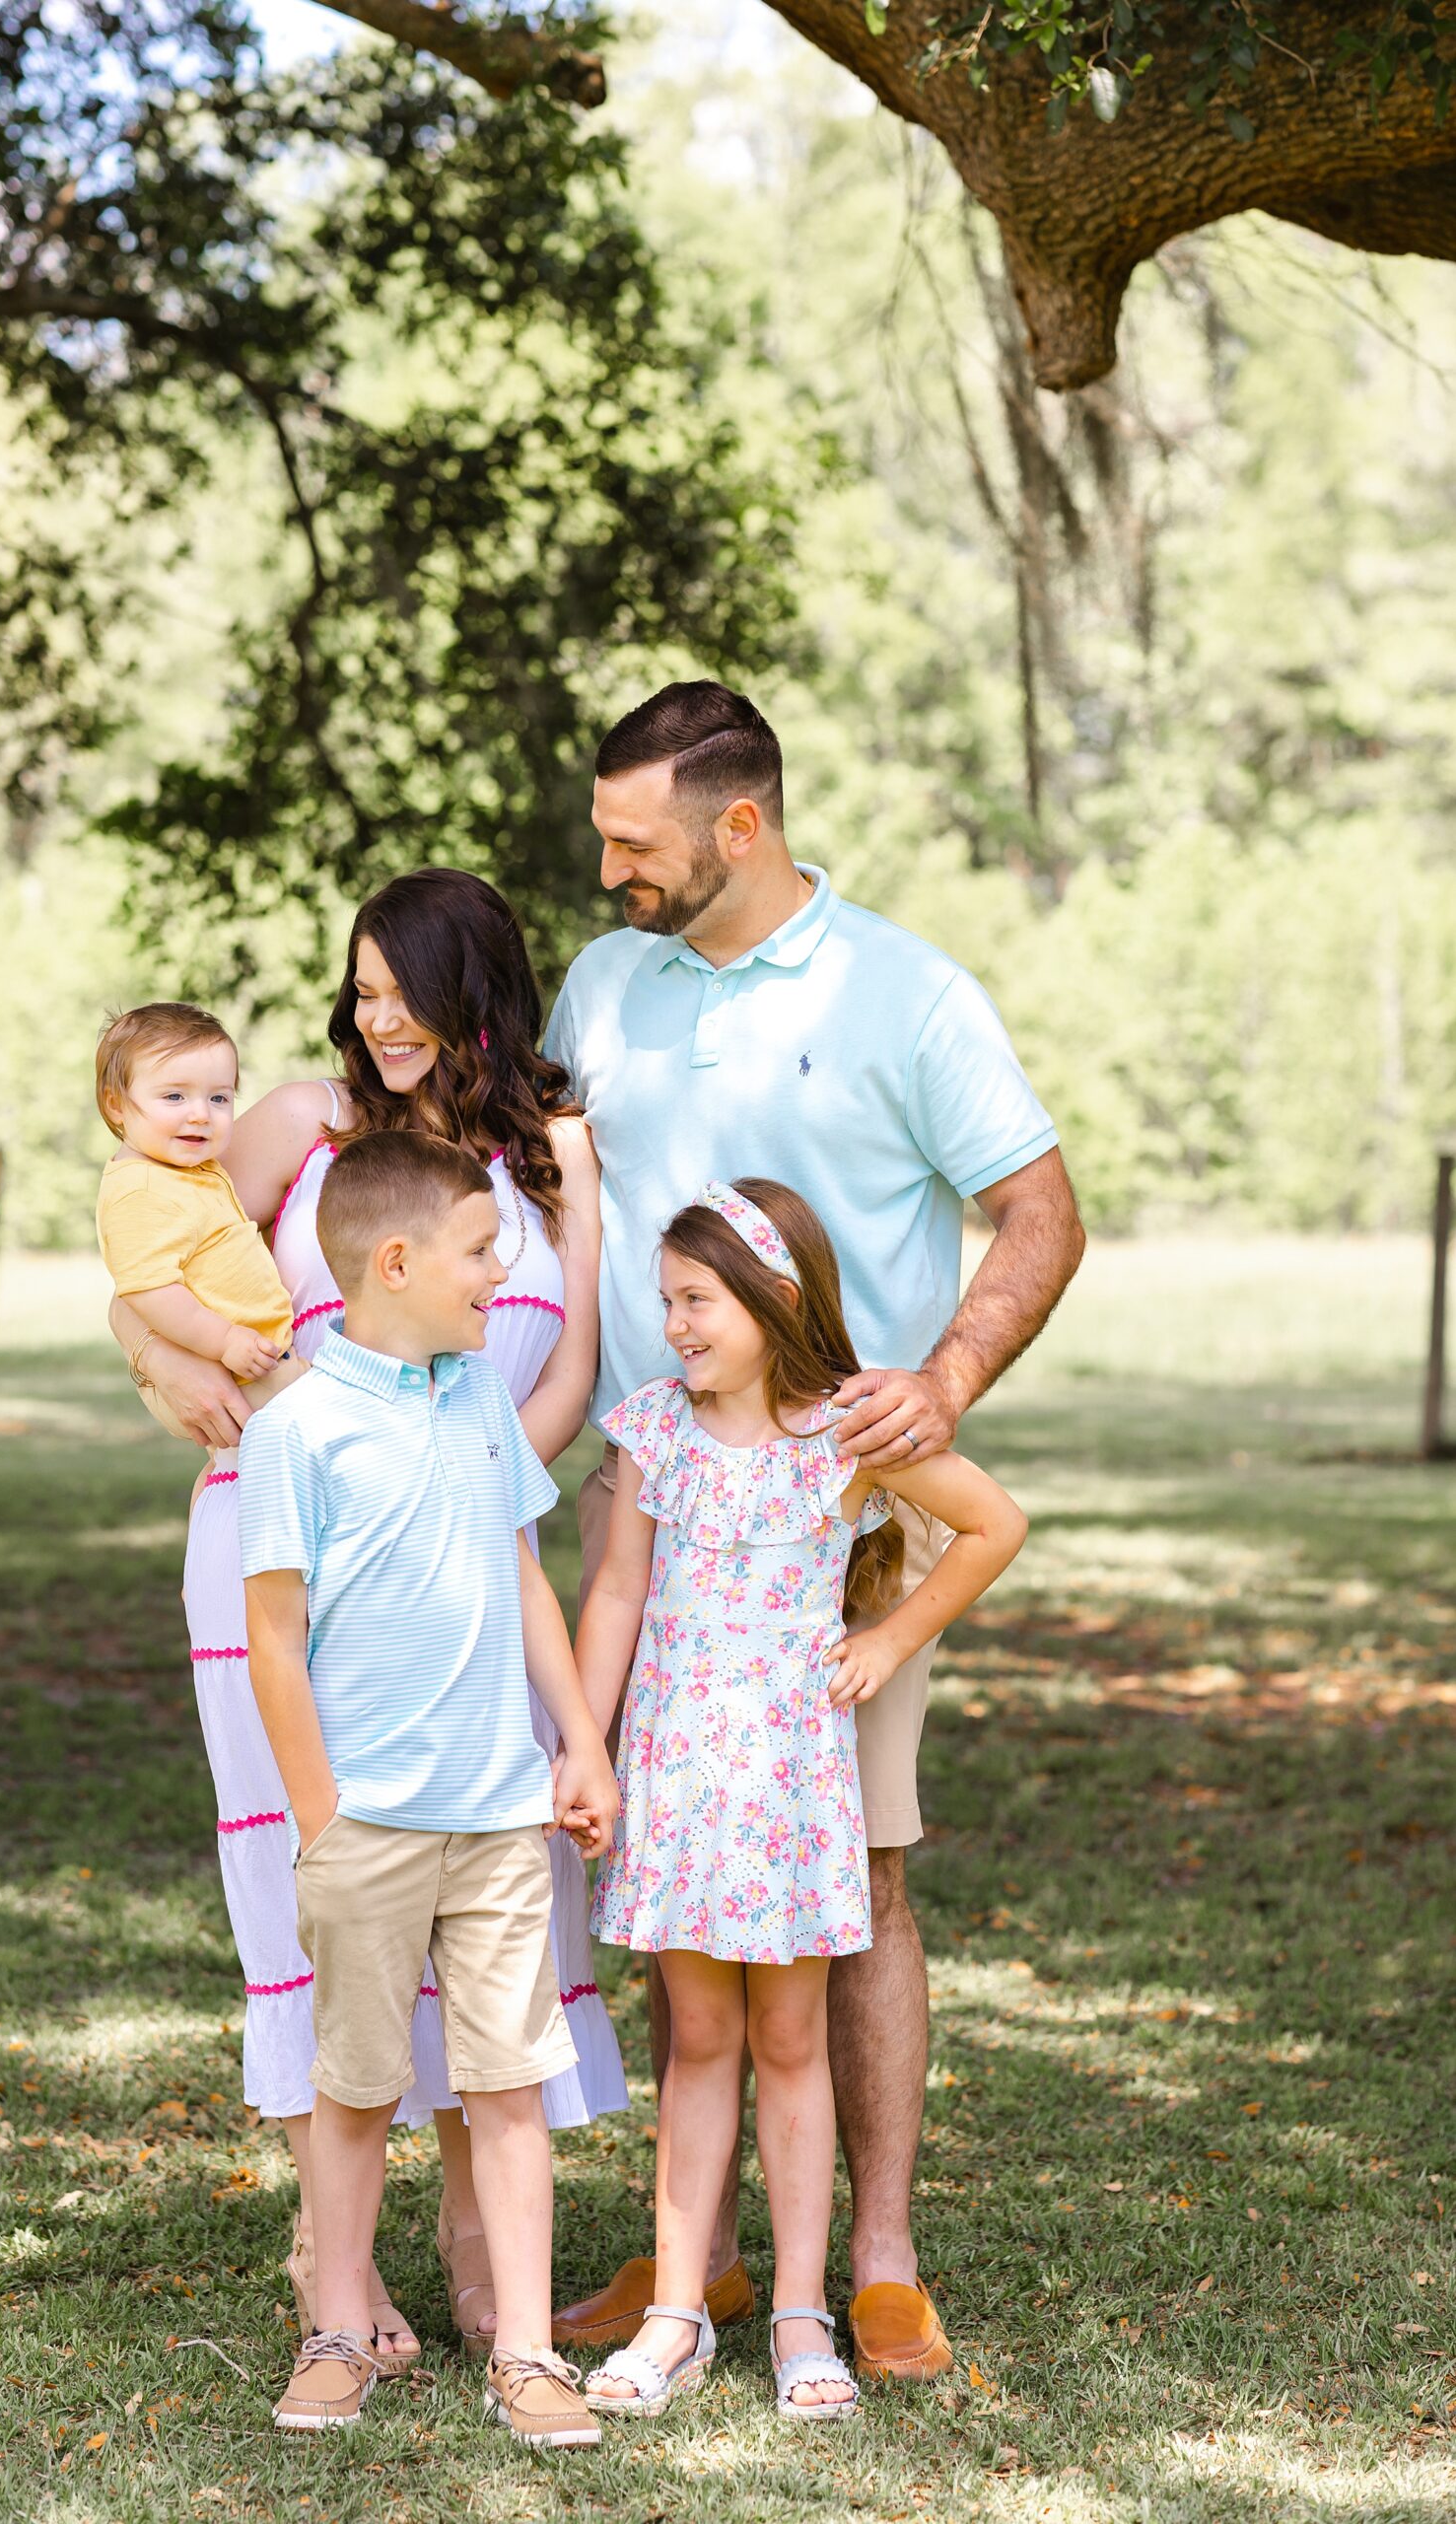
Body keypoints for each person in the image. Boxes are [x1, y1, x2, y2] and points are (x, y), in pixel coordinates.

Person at [546, 681, 1084, 2383]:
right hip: (654, 1509)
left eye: (635, 845)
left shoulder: (904, 993)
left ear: (740, 827)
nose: (610, 872)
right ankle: (687, 2262)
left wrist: (947, 1378)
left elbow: (1041, 1212)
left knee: (858, 1872)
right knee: (678, 1885)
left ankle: (873, 2264)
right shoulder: (603, 981)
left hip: (840, 1522)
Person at [107, 871, 624, 2369]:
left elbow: (570, 1368)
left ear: (476, 990)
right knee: (308, 1868)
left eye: (399, 990)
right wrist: (166, 1378)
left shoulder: (556, 1155)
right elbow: (141, 1276)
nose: (373, 1018)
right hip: (274, 1553)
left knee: (487, 1875)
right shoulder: (292, 1130)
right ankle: (327, 2252)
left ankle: (476, 2238)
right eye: (359, 992)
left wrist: (468, 1507)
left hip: (471, 1561)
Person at [575, 1178, 1026, 2421]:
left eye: (697, 1299)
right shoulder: (654, 1429)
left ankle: (798, 2314)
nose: (673, 1323)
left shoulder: (845, 1434)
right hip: (677, 1779)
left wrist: (887, 1643)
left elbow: (993, 1524)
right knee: (699, 2042)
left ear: (776, 1298)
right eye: (665, 1299)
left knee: (791, 2044)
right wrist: (589, 1741)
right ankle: (676, 2311)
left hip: (786, 1790)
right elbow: (617, 1594)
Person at [241, 1133, 619, 2442]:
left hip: (501, 1819)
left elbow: (522, 1575)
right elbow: (271, 1641)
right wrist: (319, 1820)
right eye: (477, 1249)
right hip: (368, 1828)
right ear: (394, 1263)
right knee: (353, 2087)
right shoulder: (296, 1430)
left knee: (507, 2087)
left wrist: (576, 1737)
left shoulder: (475, 1408)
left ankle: (526, 2354)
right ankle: (337, 2330)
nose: (496, 1270)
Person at [94, 1003, 301, 1409]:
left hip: (254, 1358)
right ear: (116, 1104)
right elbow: (150, 1291)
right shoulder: (140, 1189)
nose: (201, 1114)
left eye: (219, 1098)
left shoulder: (188, 1170)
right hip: (233, 1370)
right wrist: (224, 1340)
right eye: (174, 1096)